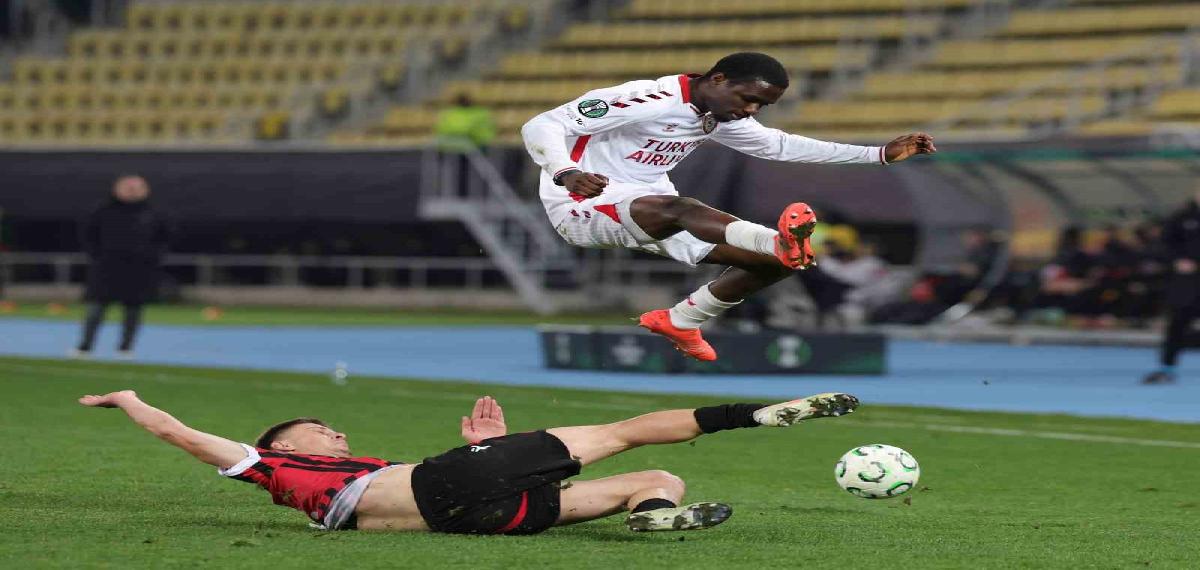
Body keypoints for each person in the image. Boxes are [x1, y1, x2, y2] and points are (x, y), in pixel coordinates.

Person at [521, 52, 936, 361]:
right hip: (582, 204)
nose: (751, 110)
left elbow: (779, 145)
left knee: (775, 264)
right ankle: (777, 240)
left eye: (761, 106)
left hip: (648, 207)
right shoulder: (649, 98)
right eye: (748, 98)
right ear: (717, 79)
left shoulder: (719, 115)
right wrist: (565, 172)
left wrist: (877, 154)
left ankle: (683, 320)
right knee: (685, 208)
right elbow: (542, 124)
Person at [77, 390, 860, 534]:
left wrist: (499, 448)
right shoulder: (266, 464)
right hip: (448, 483)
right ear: (284, 445)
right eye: (321, 431)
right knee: (623, 432)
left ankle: (656, 516)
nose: (335, 436)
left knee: (658, 478)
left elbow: (383, 513)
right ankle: (755, 414)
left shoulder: (328, 494)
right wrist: (131, 398)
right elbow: (179, 431)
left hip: (472, 516)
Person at [71, 175, 171, 359]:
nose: (132, 191)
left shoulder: (153, 213)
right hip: (106, 269)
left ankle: (125, 348)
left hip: (139, 271)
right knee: (96, 309)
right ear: (117, 189)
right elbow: (88, 235)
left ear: (145, 190)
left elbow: (164, 239)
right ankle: (85, 347)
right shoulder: (102, 211)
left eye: (136, 187)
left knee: (133, 312)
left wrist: (151, 257)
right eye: (128, 187)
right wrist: (98, 256)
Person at [1143, 187, 1200, 384]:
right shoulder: (1181, 217)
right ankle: (1166, 369)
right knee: (1177, 324)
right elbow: (1165, 245)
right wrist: (1177, 261)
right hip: (1187, 282)